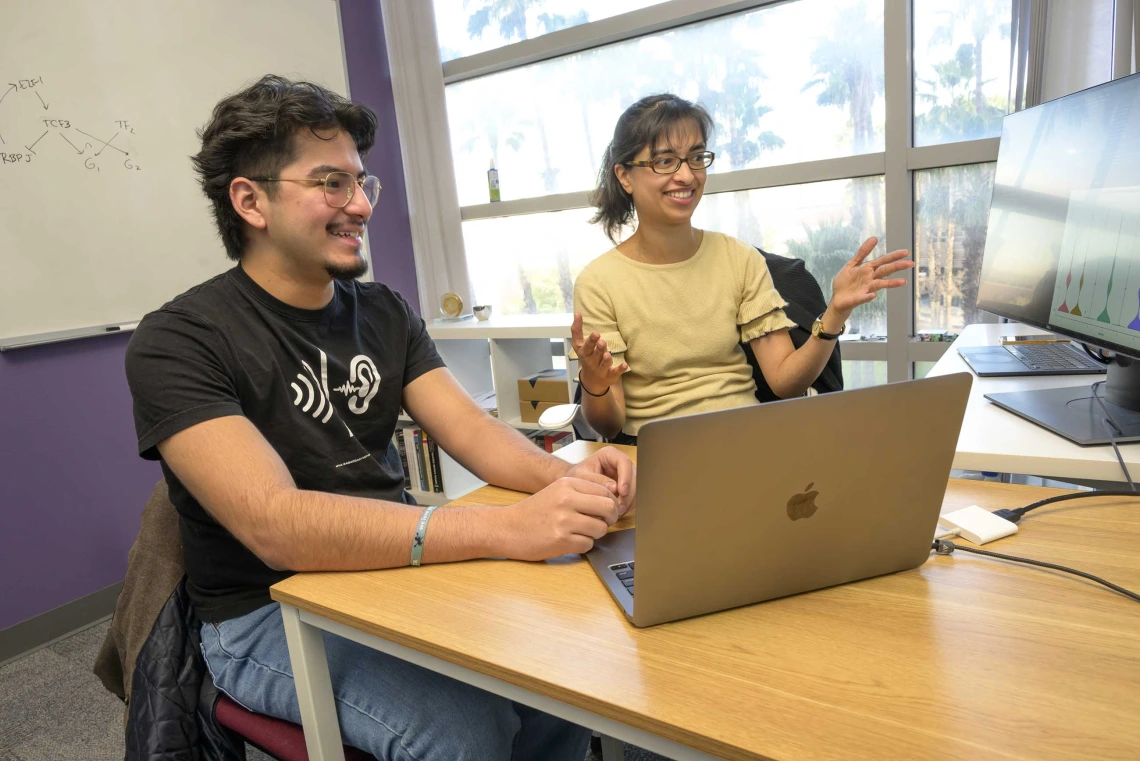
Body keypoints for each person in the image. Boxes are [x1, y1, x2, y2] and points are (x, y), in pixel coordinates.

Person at [124, 74, 636, 761]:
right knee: (467, 732)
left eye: (363, 183)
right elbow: (276, 524)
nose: (361, 204)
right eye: (331, 183)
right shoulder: (180, 339)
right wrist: (504, 527)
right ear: (250, 199)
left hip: (392, 571)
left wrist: (564, 480)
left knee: (564, 676)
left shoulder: (385, 311)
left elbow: (473, 431)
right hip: (265, 611)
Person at [572, 94, 914, 441]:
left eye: (696, 157)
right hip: (659, 453)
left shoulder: (739, 259)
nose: (687, 175)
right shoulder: (599, 283)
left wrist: (835, 313)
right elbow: (608, 425)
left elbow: (785, 382)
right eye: (665, 162)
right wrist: (595, 385)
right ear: (625, 176)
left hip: (748, 442)